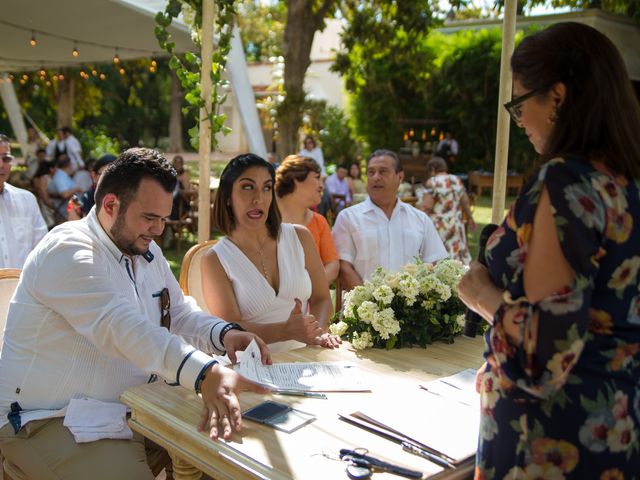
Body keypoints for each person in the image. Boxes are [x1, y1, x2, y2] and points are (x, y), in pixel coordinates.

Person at [0, 148, 271, 480]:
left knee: (238, 454)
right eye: (149, 218)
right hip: (49, 418)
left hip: (137, 406)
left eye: (163, 218)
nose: (158, 230)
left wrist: (225, 334)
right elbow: (121, 327)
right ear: (111, 205)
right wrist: (205, 373)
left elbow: (179, 314)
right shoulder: (68, 250)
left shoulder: (146, 248)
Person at [457, 22, 640, 479]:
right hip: (614, 424)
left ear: (556, 97)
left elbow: (543, 358)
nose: (518, 123)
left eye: (520, 106)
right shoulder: (626, 185)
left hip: (549, 442)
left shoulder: (564, 183)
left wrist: (479, 292)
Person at [201, 153, 341, 353]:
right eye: (247, 187)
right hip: (251, 367)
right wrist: (285, 331)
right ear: (227, 197)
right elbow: (229, 328)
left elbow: (322, 298)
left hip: (307, 357)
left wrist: (315, 334)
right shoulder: (214, 259)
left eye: (266, 188)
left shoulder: (300, 237)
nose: (258, 198)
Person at [333, 149, 447, 291]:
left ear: (399, 177)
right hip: (362, 309)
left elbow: (434, 263)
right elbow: (343, 267)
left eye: (383, 171)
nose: (376, 177)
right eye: (371, 172)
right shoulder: (348, 218)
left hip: (412, 309)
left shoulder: (420, 219)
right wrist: (370, 302)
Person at [275, 154, 340, 285]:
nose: (322, 186)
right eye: (317, 178)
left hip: (311, 302)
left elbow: (333, 266)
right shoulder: (263, 221)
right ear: (295, 180)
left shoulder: (319, 222)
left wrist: (306, 288)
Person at [0, 134, 47, 268]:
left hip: (23, 286)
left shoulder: (27, 200)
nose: (1, 164)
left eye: (6, 158)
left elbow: (42, 249)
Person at [420, 156, 475, 265]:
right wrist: (470, 217)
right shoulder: (456, 179)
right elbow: (465, 201)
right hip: (456, 224)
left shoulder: (433, 182)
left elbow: (427, 206)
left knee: (438, 257)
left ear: (432, 169)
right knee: (456, 257)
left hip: (439, 226)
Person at [67, 154, 117, 221]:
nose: (111, 179)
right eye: (106, 174)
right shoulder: (78, 200)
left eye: (116, 175)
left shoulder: (127, 197)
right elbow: (73, 224)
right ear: (94, 176)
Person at [48, 154, 83, 220]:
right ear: (69, 164)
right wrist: (77, 189)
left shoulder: (63, 175)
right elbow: (64, 194)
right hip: (69, 211)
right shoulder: (60, 177)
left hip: (75, 207)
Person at [31, 160, 57, 229]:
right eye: (54, 168)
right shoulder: (44, 177)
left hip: (45, 202)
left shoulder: (42, 177)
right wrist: (48, 202)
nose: (56, 170)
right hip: (45, 203)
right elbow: (42, 191)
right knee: (50, 223)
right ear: (50, 169)